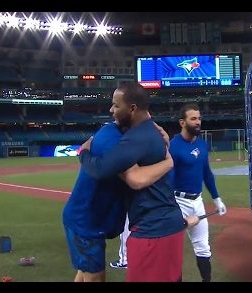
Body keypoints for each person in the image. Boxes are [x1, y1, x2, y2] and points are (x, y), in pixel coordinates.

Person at [79, 81, 200, 282]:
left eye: (116, 105)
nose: (111, 110)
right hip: (166, 225)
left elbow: (99, 169)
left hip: (152, 232)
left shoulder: (138, 137)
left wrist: (83, 152)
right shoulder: (151, 132)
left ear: (132, 108)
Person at [63, 121, 175, 282]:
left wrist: (163, 146)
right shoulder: (111, 137)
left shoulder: (126, 138)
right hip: (85, 220)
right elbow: (135, 178)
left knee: (85, 272)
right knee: (95, 276)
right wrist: (168, 161)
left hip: (94, 218)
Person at [169, 103, 227, 282]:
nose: (198, 122)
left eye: (199, 118)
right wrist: (172, 210)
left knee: (203, 248)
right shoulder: (174, 145)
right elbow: (168, 181)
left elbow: (206, 173)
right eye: (193, 119)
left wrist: (216, 198)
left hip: (197, 202)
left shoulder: (201, 144)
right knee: (173, 251)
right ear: (182, 122)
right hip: (178, 202)